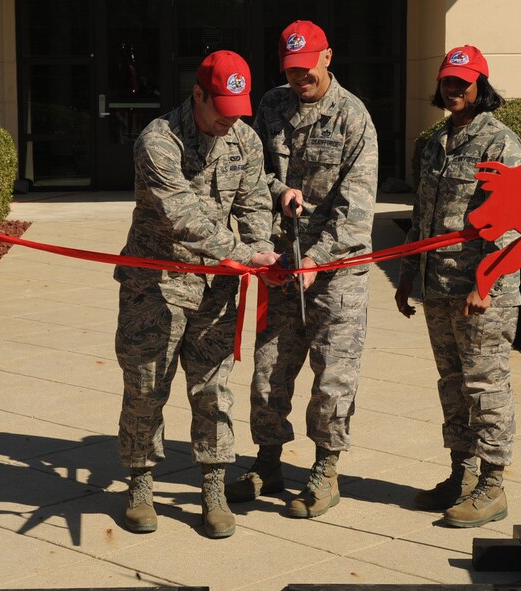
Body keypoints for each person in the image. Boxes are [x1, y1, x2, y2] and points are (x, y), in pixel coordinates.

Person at [114, 50, 280, 538]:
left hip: (216, 292)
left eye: (238, 112)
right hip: (155, 289)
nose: (230, 122)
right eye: (221, 110)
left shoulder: (244, 138)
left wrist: (262, 247)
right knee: (146, 387)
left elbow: (254, 206)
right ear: (198, 95)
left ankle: (214, 488)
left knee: (213, 392)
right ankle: (140, 483)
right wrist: (243, 253)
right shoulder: (157, 142)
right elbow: (182, 216)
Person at [225, 20, 378, 519]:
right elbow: (256, 168)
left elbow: (356, 209)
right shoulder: (270, 106)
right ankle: (266, 462)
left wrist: (319, 257)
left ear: (327, 57)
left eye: (306, 69)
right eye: (291, 71)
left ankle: (325, 471)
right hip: (282, 264)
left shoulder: (354, 119)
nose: (299, 79)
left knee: (333, 377)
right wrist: (277, 192)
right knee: (269, 372)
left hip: (337, 273)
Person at [395, 45, 521, 527]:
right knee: (452, 384)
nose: (453, 89)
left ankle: (493, 485)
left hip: (480, 291)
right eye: (448, 81)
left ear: (481, 86)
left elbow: (510, 220)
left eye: (463, 82)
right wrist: (408, 273)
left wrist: (486, 280)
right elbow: (423, 216)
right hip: (438, 285)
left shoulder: (499, 142)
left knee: (485, 385)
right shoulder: (435, 142)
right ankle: (462, 475)